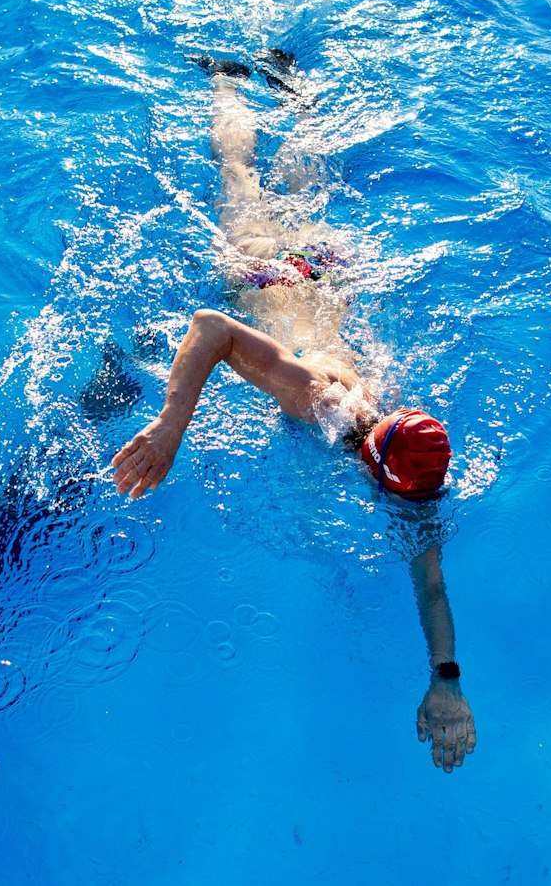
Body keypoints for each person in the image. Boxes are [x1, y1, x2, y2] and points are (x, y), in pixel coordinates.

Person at [110, 53, 476, 773]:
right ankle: (224, 81)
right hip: (265, 274)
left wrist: (447, 680)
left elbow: (431, 583)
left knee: (303, 182)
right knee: (240, 176)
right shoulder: (318, 401)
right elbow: (211, 327)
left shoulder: (393, 445)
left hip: (323, 273)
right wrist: (168, 426)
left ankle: (293, 90)